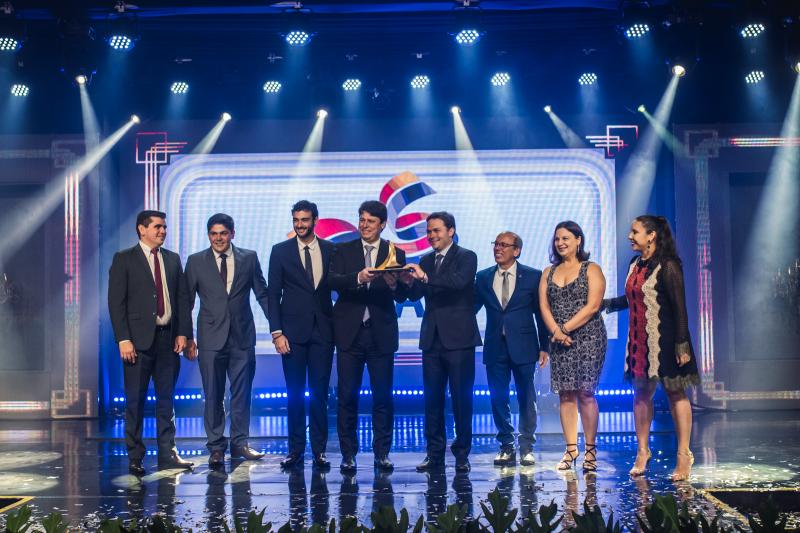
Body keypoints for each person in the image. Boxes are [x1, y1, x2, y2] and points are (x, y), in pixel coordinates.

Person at [603, 215, 700, 481]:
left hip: (666, 341)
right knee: (641, 394)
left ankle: (683, 454)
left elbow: (680, 308)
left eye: (635, 232)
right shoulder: (635, 264)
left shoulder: (668, 265)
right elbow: (632, 297)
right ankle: (642, 451)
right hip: (638, 341)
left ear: (651, 235)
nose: (630, 236)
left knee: (675, 393)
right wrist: (605, 304)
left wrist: (682, 344)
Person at [108, 210, 194, 476]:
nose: (163, 231)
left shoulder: (172, 258)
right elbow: (116, 303)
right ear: (141, 229)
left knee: (166, 400)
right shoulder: (124, 258)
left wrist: (183, 333)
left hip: (168, 339)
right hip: (137, 342)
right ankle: (135, 456)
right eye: (157, 226)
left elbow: (181, 299)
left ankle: (168, 452)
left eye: (164, 227)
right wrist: (123, 338)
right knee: (135, 401)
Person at [184, 213, 270, 467]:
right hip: (210, 338)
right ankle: (216, 447)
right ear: (208, 235)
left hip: (242, 337)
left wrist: (278, 328)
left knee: (241, 395)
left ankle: (240, 443)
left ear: (232, 233)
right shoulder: (196, 261)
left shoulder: (249, 257)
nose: (218, 238)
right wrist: (187, 336)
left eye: (223, 233)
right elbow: (186, 302)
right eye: (213, 233)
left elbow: (262, 294)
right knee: (213, 394)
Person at [328, 201, 407, 472]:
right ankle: (348, 454)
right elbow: (331, 281)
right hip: (349, 334)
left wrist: (395, 285)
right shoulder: (342, 249)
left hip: (380, 334)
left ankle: (382, 453)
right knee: (347, 397)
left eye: (370, 221)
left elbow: (403, 296)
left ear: (382, 224)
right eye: (361, 220)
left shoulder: (395, 252)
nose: (364, 225)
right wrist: (358, 278)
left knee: (382, 398)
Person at [404, 211, 482, 472]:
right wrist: (401, 282)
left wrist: (425, 277)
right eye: (428, 231)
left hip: (459, 339)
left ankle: (461, 455)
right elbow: (414, 295)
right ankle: (434, 454)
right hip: (432, 340)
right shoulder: (426, 260)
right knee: (432, 401)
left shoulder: (467, 256)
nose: (431, 235)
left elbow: (457, 283)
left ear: (451, 231)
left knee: (461, 400)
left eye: (436, 230)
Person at [268, 200, 336, 469]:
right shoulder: (280, 251)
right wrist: (277, 333)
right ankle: (295, 450)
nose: (300, 225)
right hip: (292, 335)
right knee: (294, 394)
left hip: (323, 333)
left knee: (320, 394)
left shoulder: (331, 249)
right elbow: (273, 295)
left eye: (304, 220)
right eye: (296, 220)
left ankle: (319, 450)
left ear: (315, 220)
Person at [474, 231, 549, 467]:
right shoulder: (483, 277)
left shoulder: (533, 276)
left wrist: (545, 346)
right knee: (498, 397)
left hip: (525, 346)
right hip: (495, 347)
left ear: (517, 251)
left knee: (526, 397)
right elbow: (470, 309)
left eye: (504, 245)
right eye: (496, 244)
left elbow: (540, 314)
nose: (498, 248)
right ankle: (506, 445)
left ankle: (526, 446)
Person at [538, 220, 607, 473]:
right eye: (557, 239)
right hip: (559, 340)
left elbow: (593, 306)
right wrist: (556, 332)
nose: (560, 243)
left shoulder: (591, 268)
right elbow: (544, 306)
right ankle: (570, 449)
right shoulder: (548, 272)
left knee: (585, 393)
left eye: (566, 238)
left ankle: (590, 450)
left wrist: (565, 329)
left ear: (578, 240)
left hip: (589, 337)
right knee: (565, 394)